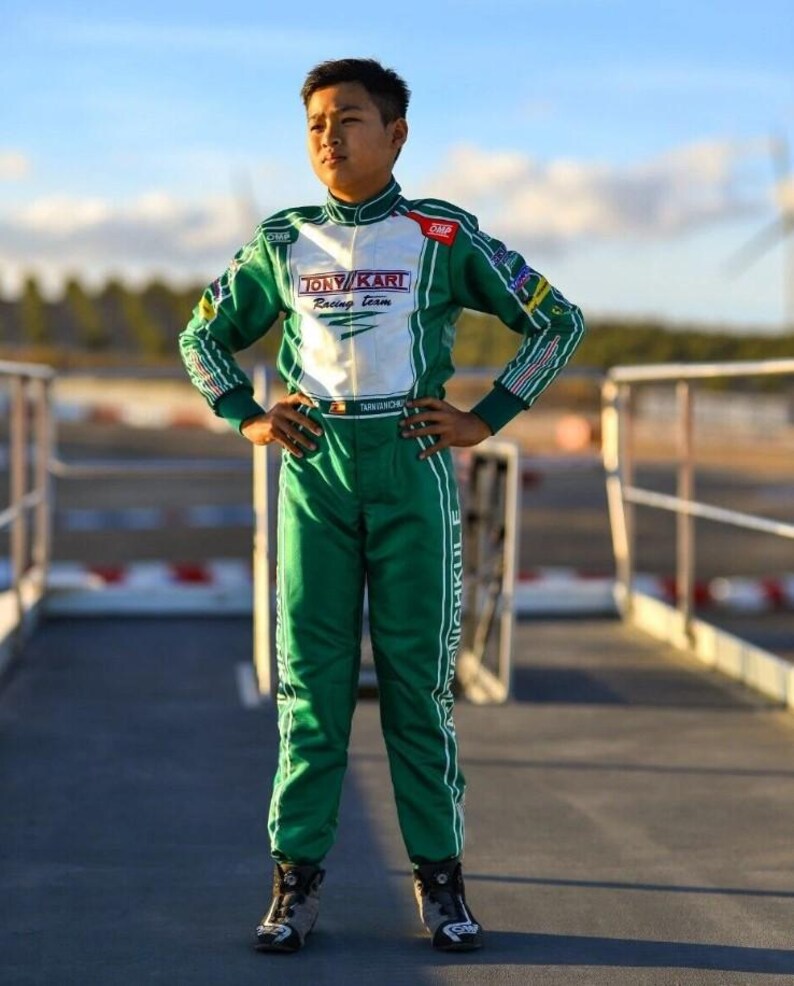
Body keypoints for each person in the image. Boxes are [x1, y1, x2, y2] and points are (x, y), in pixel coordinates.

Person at [179, 57, 585, 954]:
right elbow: (199, 335)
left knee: (418, 691)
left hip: (413, 473)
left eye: (349, 118)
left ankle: (443, 888)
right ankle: (294, 886)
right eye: (317, 121)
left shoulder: (442, 235)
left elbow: (560, 321)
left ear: (397, 134)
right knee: (311, 695)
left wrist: (489, 416)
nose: (329, 135)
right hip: (313, 475)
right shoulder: (282, 239)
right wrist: (246, 416)